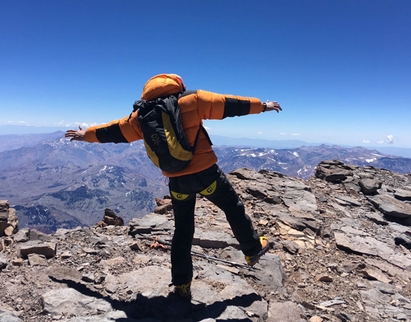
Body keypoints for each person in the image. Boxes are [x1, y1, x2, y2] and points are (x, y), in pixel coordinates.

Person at [65, 73, 282, 298]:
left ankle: (181, 284)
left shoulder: (141, 116)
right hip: (207, 175)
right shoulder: (192, 99)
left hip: (178, 182)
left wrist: (86, 134)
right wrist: (263, 106)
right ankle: (252, 250)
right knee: (232, 208)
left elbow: (113, 131)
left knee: (183, 230)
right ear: (178, 85)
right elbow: (229, 104)